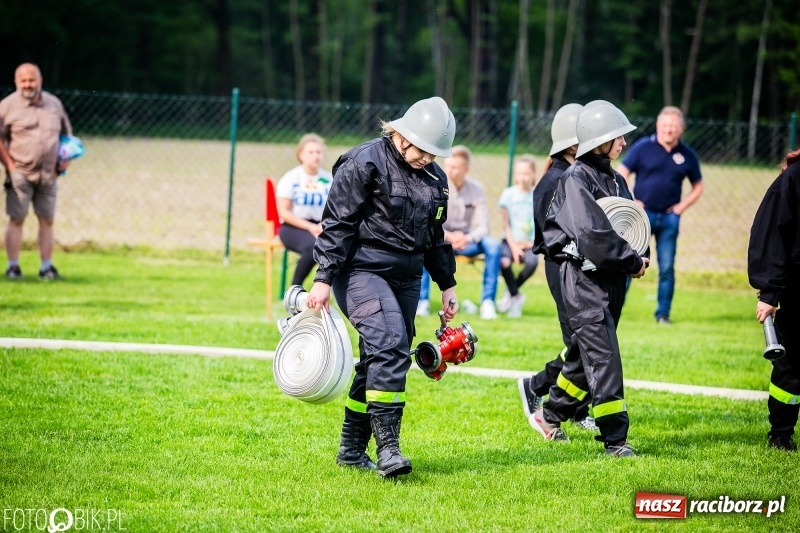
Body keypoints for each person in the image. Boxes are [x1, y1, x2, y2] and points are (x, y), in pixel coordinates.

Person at [306, 96, 459, 478]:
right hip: (360, 272)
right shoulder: (364, 162)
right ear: (403, 135)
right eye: (423, 149)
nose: (428, 159)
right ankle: (389, 449)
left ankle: (351, 450)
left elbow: (434, 235)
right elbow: (337, 224)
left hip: (407, 278)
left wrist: (447, 283)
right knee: (391, 345)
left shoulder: (435, 178)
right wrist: (323, 277)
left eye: (434, 154)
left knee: (381, 357)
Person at [529, 103, 649, 457]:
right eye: (618, 137)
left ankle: (549, 415)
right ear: (600, 141)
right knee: (605, 357)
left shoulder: (616, 179)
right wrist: (631, 261)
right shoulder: (575, 179)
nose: (624, 143)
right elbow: (592, 234)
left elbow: (632, 223)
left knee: (584, 357)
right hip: (582, 281)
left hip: (611, 278)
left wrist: (641, 256)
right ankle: (616, 440)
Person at [517, 103, 597, 431]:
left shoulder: (576, 174)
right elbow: (554, 235)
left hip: (580, 269)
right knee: (581, 343)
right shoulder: (554, 181)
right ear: (573, 143)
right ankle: (537, 386)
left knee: (586, 341)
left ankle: (577, 410)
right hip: (562, 268)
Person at [617, 106, 703, 324]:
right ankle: (614, 307)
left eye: (673, 126)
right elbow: (621, 174)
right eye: (665, 125)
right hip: (641, 217)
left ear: (681, 128)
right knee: (629, 262)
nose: (668, 130)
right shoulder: (642, 147)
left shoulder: (687, 155)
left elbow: (698, 186)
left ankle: (663, 315)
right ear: (658, 125)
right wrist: (632, 200)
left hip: (668, 219)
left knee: (666, 268)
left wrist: (681, 208)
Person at [747, 148, 800, 452]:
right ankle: (781, 433)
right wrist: (769, 292)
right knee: (791, 365)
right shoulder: (792, 180)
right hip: (797, 290)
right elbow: (771, 237)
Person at [1, 63, 73, 280]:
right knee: (17, 218)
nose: (28, 84)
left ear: (40, 80)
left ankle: (46, 268)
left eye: (32, 80)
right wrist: (11, 168)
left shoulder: (54, 104)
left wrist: (66, 159)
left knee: (47, 220)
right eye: (23, 81)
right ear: (16, 82)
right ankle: (13, 267)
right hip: (20, 173)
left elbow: (67, 136)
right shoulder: (7, 106)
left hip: (49, 175)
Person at [416, 145, 501, 320]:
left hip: (467, 242)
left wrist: (466, 238)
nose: (449, 171)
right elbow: (430, 222)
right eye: (448, 166)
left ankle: (487, 303)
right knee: (422, 241)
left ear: (466, 169)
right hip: (441, 240)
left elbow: (483, 226)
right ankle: (422, 302)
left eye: (454, 167)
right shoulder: (436, 186)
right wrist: (447, 236)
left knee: (493, 245)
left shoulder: (477, 190)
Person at [276, 133, 332, 288]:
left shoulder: (329, 179)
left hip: (322, 226)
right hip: (293, 227)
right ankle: (295, 289)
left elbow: (336, 209)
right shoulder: (292, 178)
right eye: (311, 152)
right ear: (301, 154)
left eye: (318, 152)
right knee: (314, 247)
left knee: (340, 246)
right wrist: (310, 227)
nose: (316, 156)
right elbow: (284, 212)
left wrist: (323, 225)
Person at [496, 154, 539, 318]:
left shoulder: (537, 195)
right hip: (509, 241)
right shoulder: (508, 195)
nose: (523, 177)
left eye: (526, 173)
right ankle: (516, 296)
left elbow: (540, 223)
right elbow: (505, 225)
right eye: (519, 173)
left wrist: (531, 242)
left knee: (532, 262)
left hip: (529, 242)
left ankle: (510, 291)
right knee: (504, 261)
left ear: (534, 174)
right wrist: (514, 246)